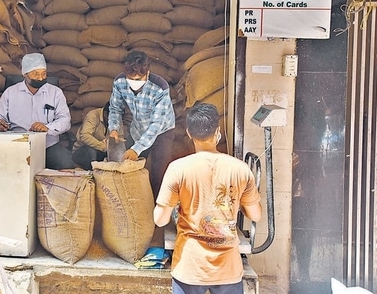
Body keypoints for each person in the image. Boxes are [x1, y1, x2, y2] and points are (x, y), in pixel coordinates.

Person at [153, 103, 262, 294]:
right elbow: (256, 215)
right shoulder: (241, 169)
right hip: (228, 268)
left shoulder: (177, 169)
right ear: (217, 132)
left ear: (188, 133)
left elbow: (160, 219)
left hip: (190, 267)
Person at [108, 50, 175, 198]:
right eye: (131, 79)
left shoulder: (160, 87)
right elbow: (115, 108)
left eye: (139, 80)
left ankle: (157, 215)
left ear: (148, 72)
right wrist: (113, 128)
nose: (134, 84)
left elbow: (156, 125)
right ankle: (135, 204)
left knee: (159, 175)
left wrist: (136, 149)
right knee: (128, 168)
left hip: (161, 132)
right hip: (137, 129)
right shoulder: (120, 83)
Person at [0, 53, 75, 170]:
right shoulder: (11, 93)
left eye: (43, 73)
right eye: (36, 74)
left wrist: (48, 128)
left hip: (47, 145)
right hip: (18, 145)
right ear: (25, 74)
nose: (40, 78)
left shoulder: (55, 93)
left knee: (67, 163)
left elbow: (65, 120)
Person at [71, 102, 110, 170]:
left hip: (101, 151)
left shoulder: (116, 121)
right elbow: (84, 136)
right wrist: (103, 146)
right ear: (105, 114)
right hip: (83, 150)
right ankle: (93, 173)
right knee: (91, 151)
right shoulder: (93, 116)